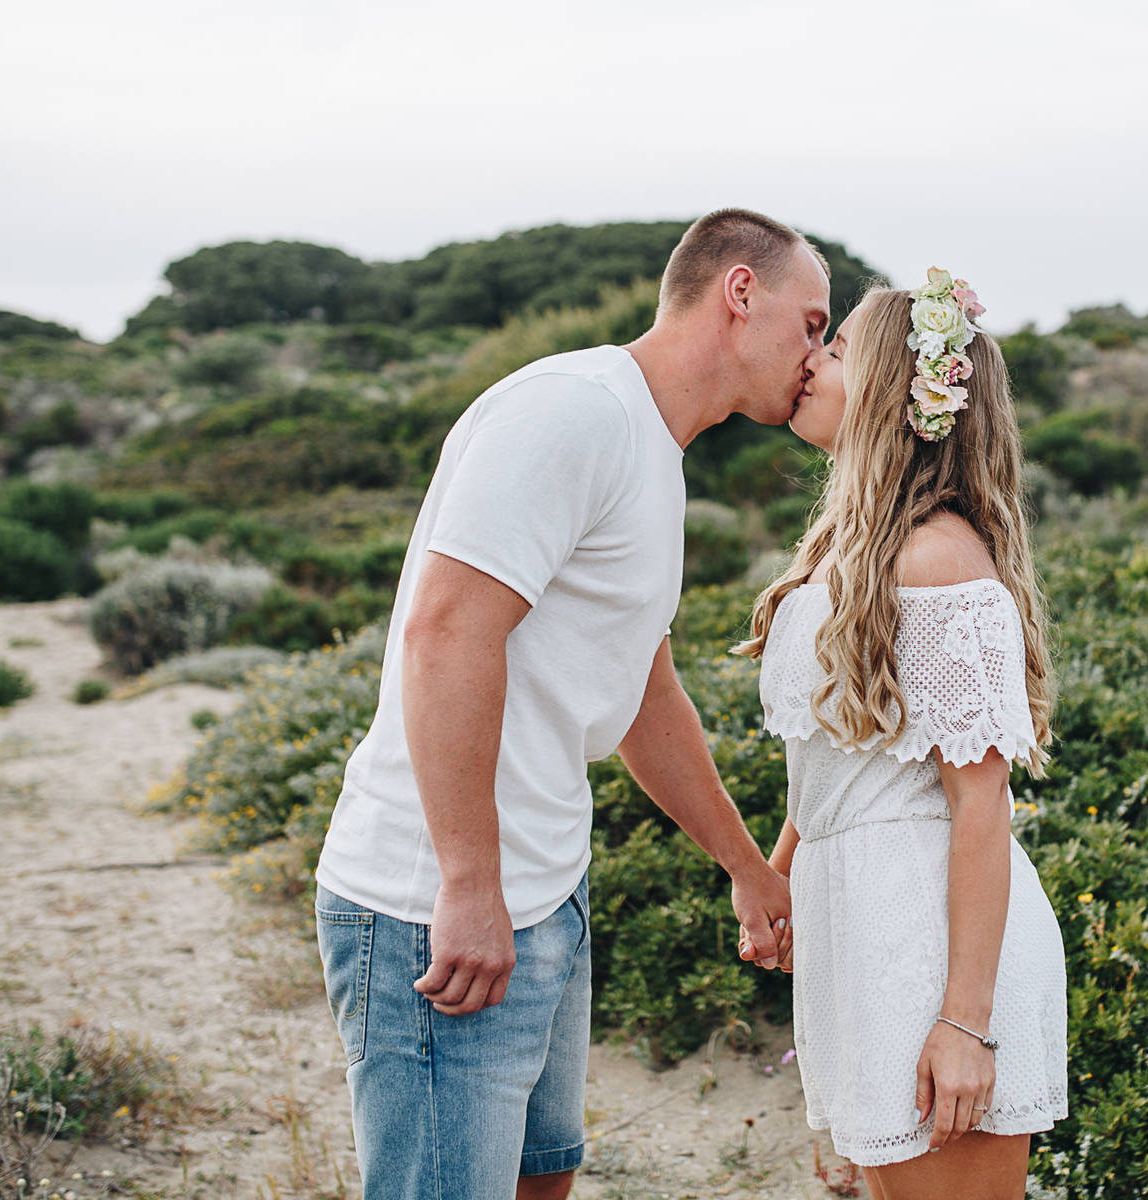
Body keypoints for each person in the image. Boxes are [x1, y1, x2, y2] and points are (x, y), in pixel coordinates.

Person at [311, 208, 830, 1200]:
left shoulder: (652, 446)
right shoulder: (576, 409)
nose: (815, 356)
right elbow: (446, 632)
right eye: (811, 324)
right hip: (440, 909)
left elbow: (641, 686)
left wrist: (746, 867)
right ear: (739, 292)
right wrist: (466, 884)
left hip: (548, 892)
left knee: (541, 1181)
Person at [735, 271, 1070, 1200]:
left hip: (930, 933)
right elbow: (840, 752)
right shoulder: (847, 552)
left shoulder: (936, 556)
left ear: (892, 388)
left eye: (835, 349)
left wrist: (966, 1023)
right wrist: (778, 874)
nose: (811, 360)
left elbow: (980, 804)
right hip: (860, 922)